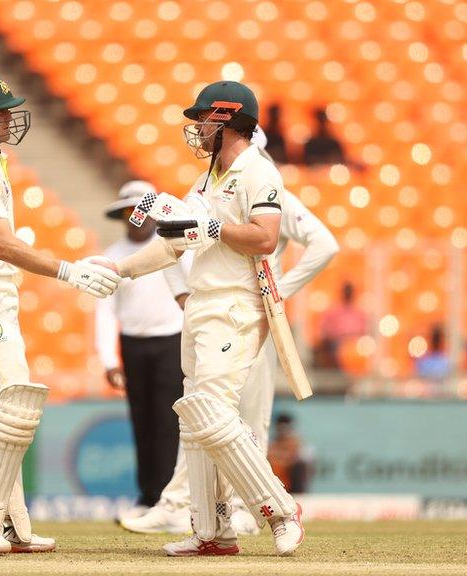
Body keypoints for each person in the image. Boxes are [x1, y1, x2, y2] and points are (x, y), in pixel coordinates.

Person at [109, 80, 305, 556]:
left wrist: (213, 228)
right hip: (200, 307)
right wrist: (118, 270)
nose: (196, 128)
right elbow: (175, 244)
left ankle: (279, 510)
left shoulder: (259, 173)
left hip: (236, 306)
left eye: (204, 119)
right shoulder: (204, 181)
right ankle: (213, 532)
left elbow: (264, 237)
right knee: (195, 419)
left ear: (228, 120)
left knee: (214, 413)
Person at [0, 74, 121, 555]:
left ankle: (11, 522)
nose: (9, 118)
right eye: (0, 112)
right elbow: (2, 245)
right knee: (14, 407)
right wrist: (69, 271)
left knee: (3, 414)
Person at [94, 180, 189, 520]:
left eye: (142, 211)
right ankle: (148, 496)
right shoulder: (113, 256)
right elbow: (104, 311)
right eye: (129, 212)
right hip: (133, 343)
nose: (137, 218)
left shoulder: (172, 249)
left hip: (171, 340)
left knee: (168, 421)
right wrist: (109, 358)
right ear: (121, 217)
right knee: (141, 421)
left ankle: (169, 498)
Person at [315, 281, 366, 369]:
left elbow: (362, 332)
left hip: (354, 345)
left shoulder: (359, 313)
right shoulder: (333, 310)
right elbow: (326, 329)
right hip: (337, 343)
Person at [267, 413, 312, 493]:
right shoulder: (271, 445)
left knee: (301, 465)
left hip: (290, 488)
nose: (283, 431)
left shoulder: (297, 445)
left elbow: (306, 463)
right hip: (274, 487)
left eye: (285, 428)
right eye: (281, 428)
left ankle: (299, 495)